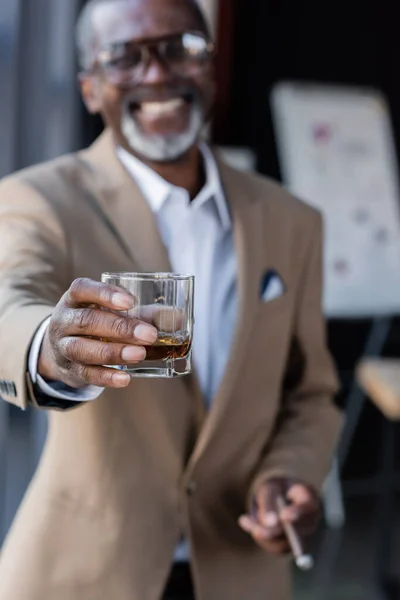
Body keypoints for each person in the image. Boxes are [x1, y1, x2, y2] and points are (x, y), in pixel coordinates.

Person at [0, 0, 342, 598]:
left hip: (239, 565)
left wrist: (291, 474)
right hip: (86, 571)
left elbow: (310, 392)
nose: (156, 74)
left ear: (210, 69)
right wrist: (48, 347)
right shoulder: (38, 200)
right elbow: (8, 297)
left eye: (179, 48)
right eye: (125, 57)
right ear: (89, 88)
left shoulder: (294, 222)